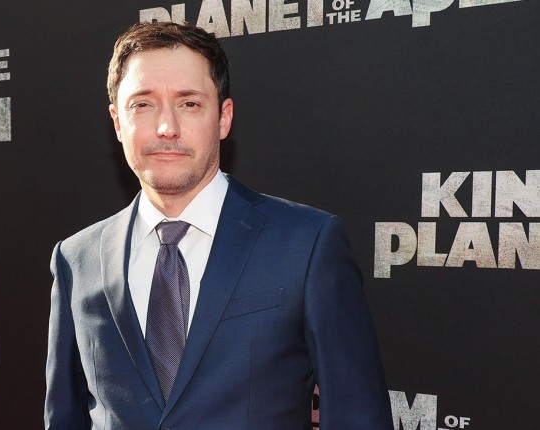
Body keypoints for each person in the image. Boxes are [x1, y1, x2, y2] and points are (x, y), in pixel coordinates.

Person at [45, 21, 393, 430]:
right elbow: (64, 416)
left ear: (224, 118)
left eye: (189, 103)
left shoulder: (307, 245)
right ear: (118, 122)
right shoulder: (76, 259)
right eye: (143, 104)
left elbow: (358, 416)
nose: (166, 127)